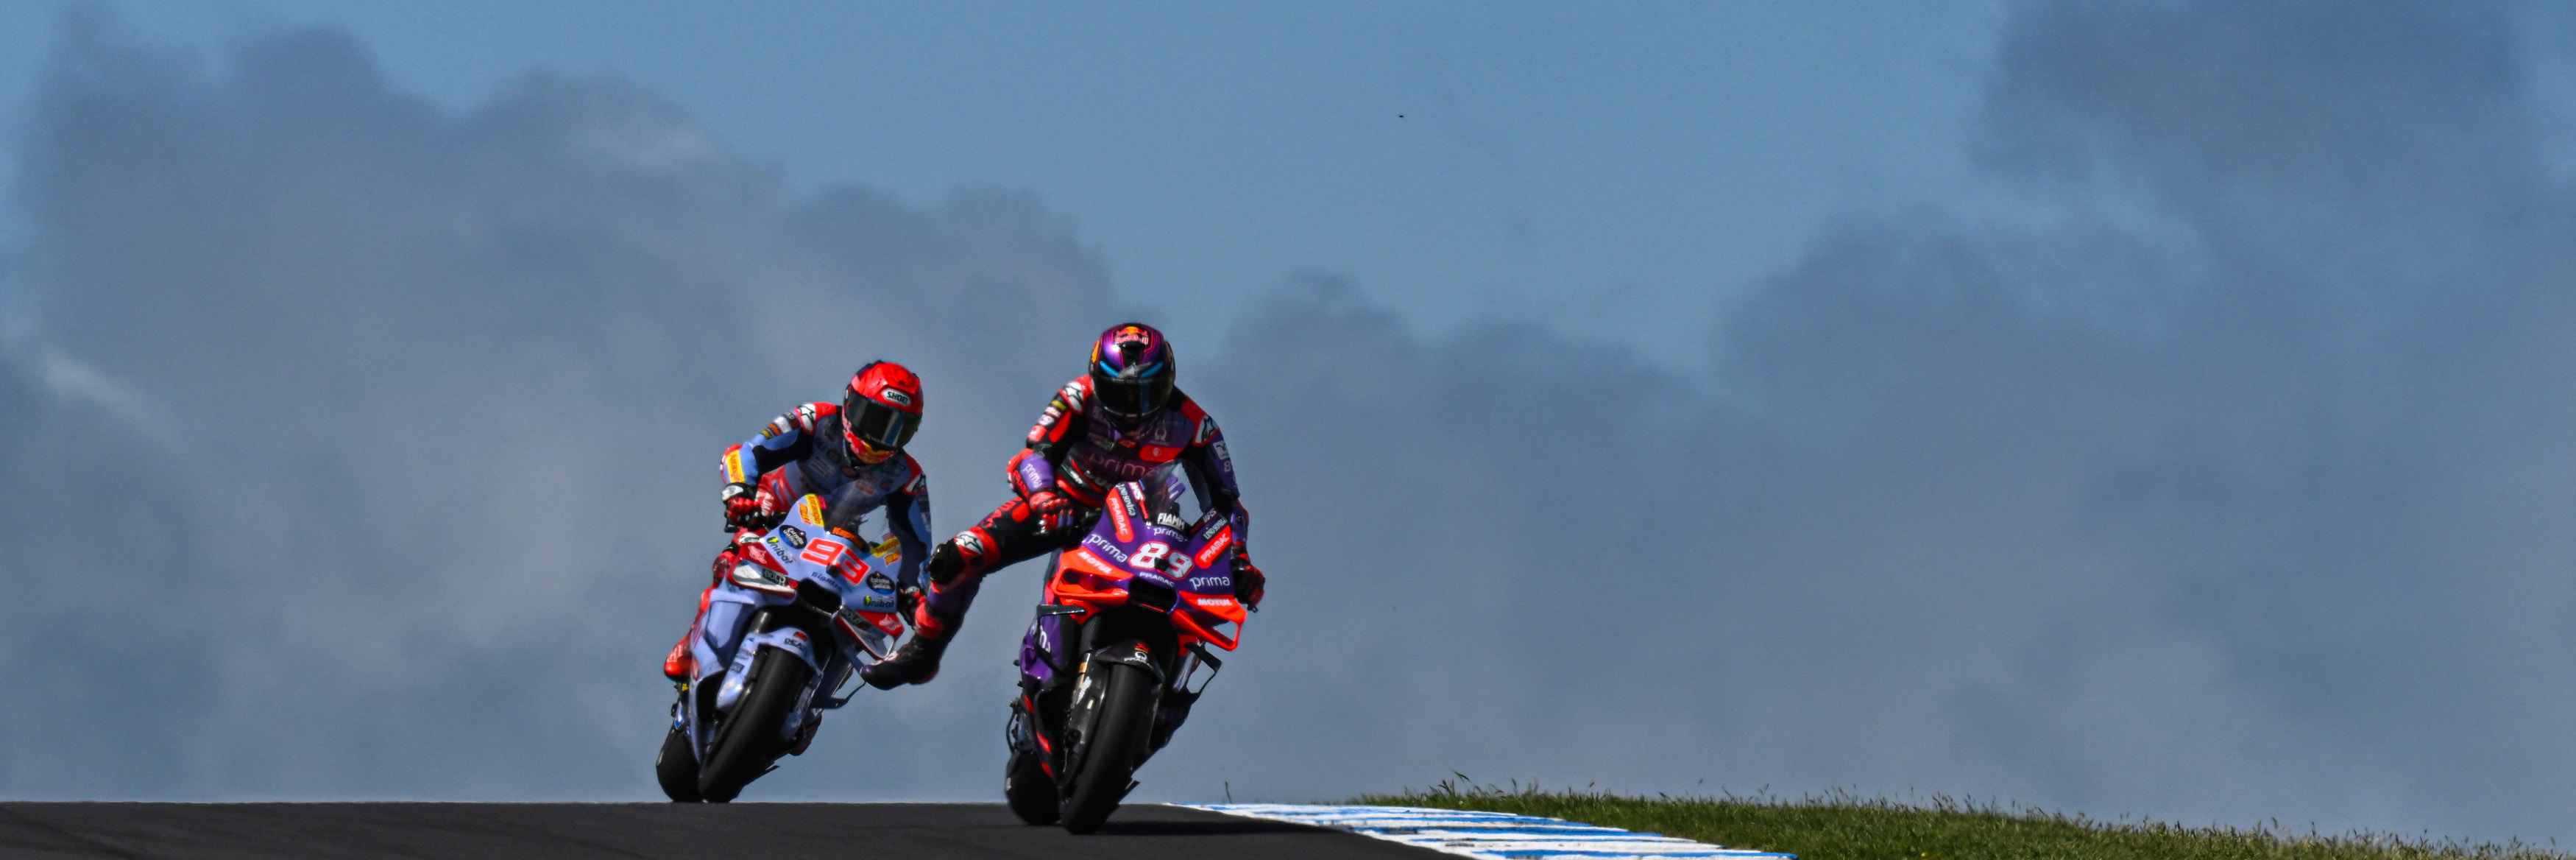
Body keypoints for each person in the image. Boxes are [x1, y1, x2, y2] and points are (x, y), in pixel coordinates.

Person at [862, 322, 1262, 688]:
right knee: (959, 556)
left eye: (1147, 392)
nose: (1133, 408)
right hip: (1069, 508)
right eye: (1119, 392)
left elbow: (1226, 502)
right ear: (1096, 378)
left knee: (1199, 600)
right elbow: (1034, 455)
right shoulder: (1077, 397)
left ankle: (1165, 696)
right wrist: (1045, 499)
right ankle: (923, 653)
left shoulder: (1197, 424)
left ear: (1170, 382)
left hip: (1147, 525)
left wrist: (1238, 558)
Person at [663, 361, 933, 682]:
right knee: (733, 558)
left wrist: (914, 590)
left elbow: (917, 543)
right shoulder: (815, 420)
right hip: (773, 516)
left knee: (869, 611)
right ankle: (696, 641)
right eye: (875, 419)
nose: (880, 437)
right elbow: (748, 453)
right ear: (850, 402)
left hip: (838, 545)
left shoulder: (907, 475)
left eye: (897, 429)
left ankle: (813, 698)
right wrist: (739, 494)